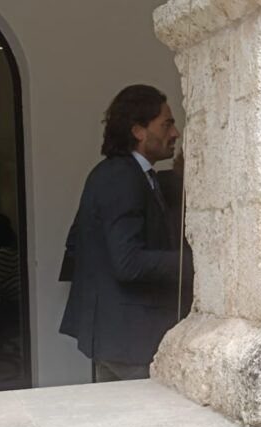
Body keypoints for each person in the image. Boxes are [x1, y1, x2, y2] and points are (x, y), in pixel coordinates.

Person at [59, 84, 187, 382]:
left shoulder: (116, 173)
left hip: (117, 334)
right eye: (166, 124)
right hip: (132, 337)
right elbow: (128, 263)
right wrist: (194, 264)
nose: (175, 133)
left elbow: (76, 242)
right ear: (138, 131)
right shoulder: (122, 177)